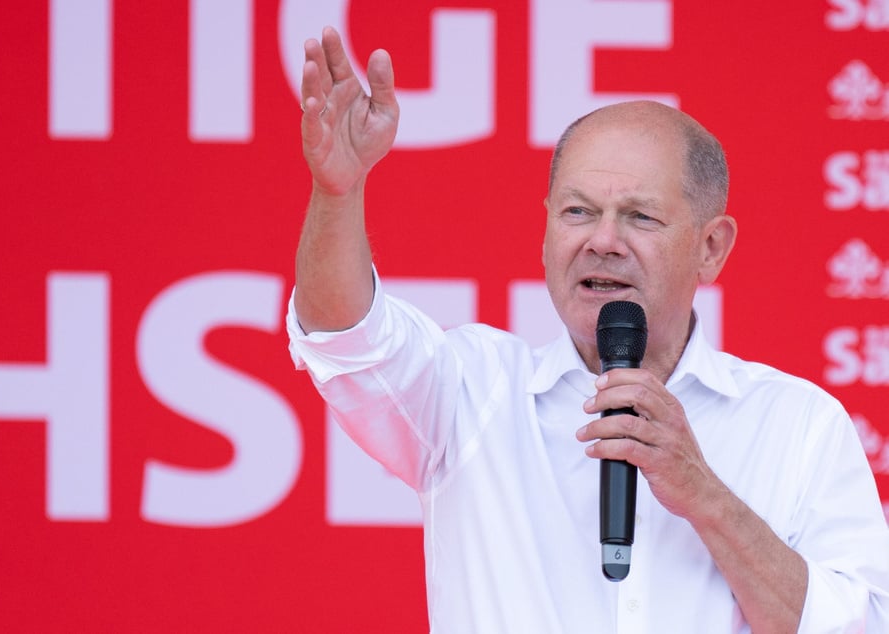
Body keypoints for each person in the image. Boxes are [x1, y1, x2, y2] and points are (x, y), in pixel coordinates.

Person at [287, 26, 889, 633]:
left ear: (711, 248)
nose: (602, 241)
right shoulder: (473, 392)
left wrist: (704, 495)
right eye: (578, 212)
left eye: (640, 216)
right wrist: (338, 191)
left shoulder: (798, 424)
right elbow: (344, 337)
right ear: (546, 234)